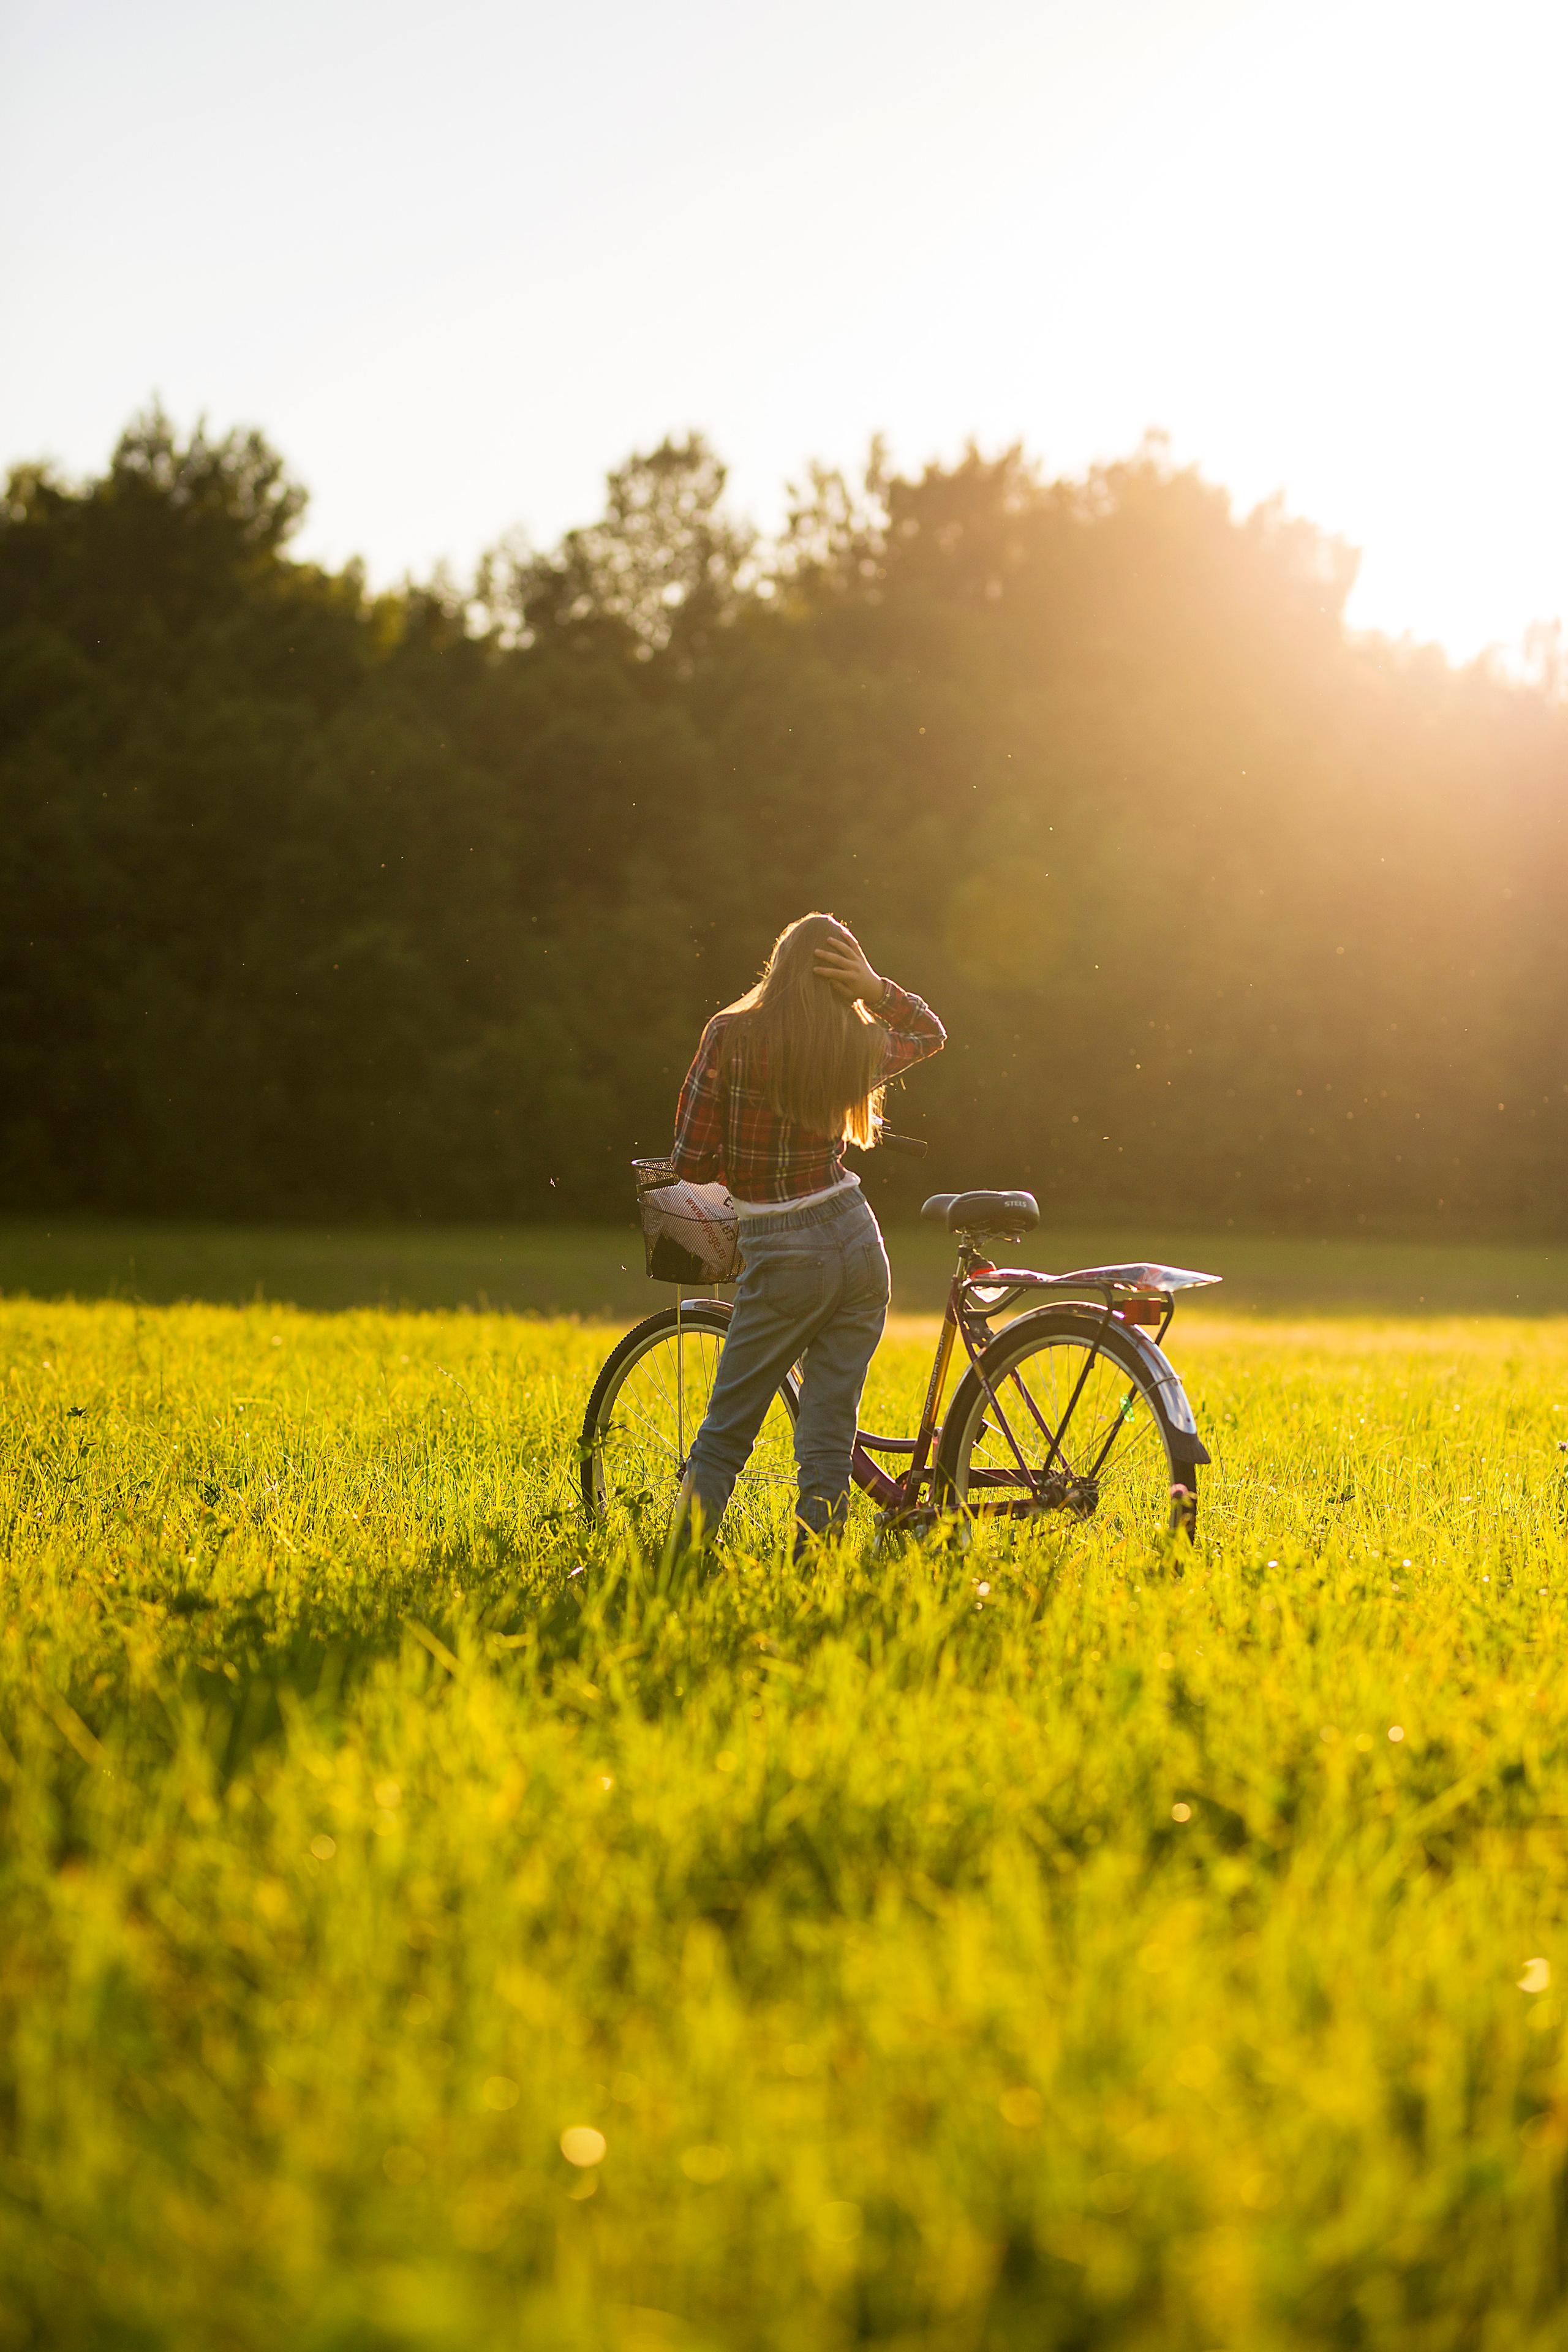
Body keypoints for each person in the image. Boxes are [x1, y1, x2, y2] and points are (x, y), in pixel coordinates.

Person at [668, 912, 945, 1557]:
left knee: (726, 1433)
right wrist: (879, 992)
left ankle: (673, 1575)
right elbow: (929, 1033)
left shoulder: (730, 1036)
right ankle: (812, 1573)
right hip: (856, 1238)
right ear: (842, 981)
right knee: (827, 1435)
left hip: (784, 1248)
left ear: (779, 967)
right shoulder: (854, 1040)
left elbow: (689, 1163)